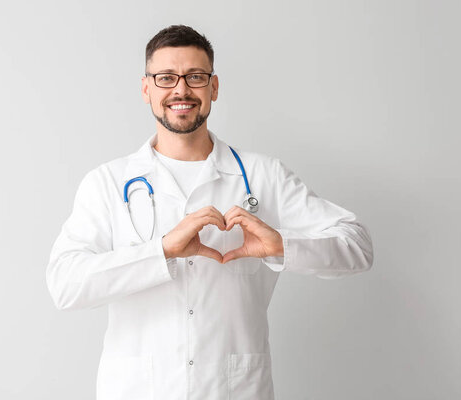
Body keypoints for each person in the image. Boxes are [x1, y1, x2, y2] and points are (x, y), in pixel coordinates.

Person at [46, 24, 373, 400]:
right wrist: (162, 251)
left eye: (195, 77)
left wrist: (280, 244)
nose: (181, 90)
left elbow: (358, 246)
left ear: (213, 88)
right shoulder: (107, 182)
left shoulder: (263, 176)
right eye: (166, 77)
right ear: (146, 88)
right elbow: (64, 285)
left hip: (233, 390)